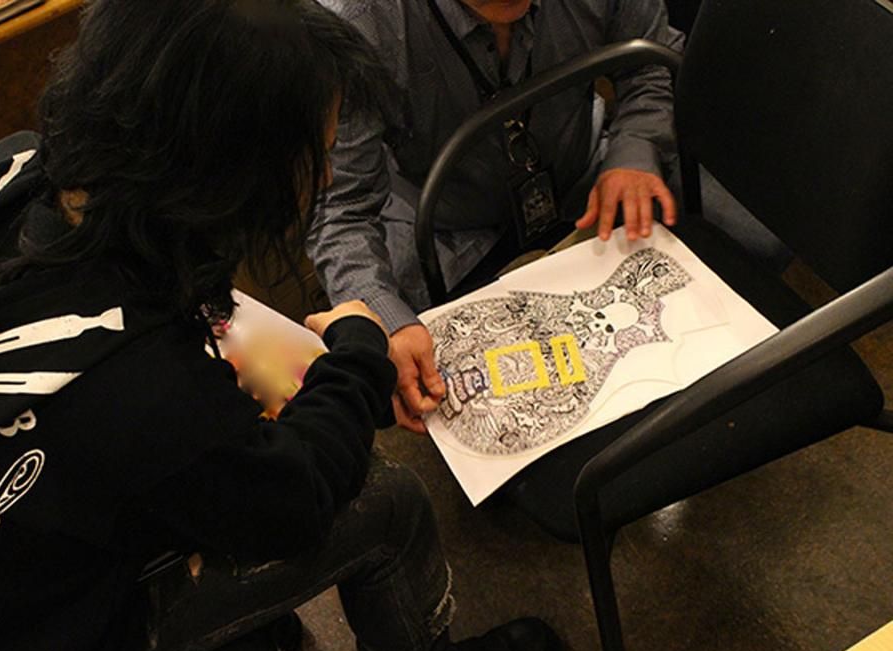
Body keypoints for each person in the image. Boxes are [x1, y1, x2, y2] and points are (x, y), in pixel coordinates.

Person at [0, 1, 563, 651]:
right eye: (314, 157)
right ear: (223, 169)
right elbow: (295, 499)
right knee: (388, 502)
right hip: (46, 647)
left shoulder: (8, 171)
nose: (325, 177)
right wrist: (357, 349)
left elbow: (132, 375)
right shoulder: (139, 385)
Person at [306, 0, 789, 433]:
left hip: (585, 173)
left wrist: (636, 147)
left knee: (752, 245)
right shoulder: (356, 22)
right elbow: (340, 208)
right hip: (443, 223)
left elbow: (649, 63)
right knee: (410, 378)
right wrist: (385, 320)